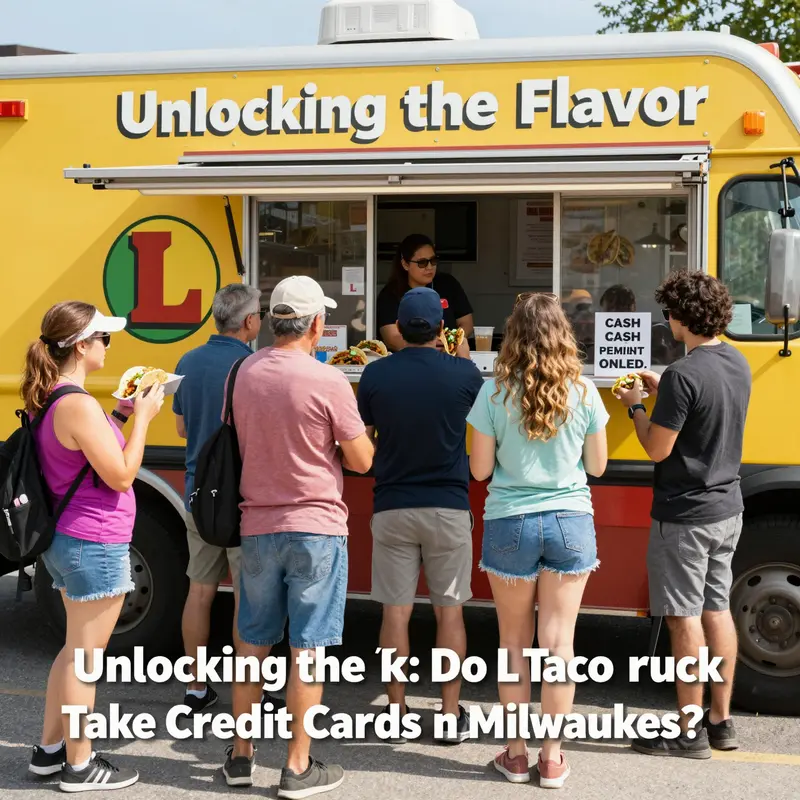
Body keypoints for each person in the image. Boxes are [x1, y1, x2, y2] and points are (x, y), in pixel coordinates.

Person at [223, 275, 374, 797]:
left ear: (270, 321)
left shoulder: (242, 372)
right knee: (307, 650)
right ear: (317, 324)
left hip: (257, 525)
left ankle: (241, 756)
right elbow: (360, 459)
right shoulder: (329, 380)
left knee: (252, 644)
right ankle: (296, 765)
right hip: (316, 529)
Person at [466, 292, 609, 789]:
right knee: (558, 644)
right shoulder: (585, 391)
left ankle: (516, 754)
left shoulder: (493, 392)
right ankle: (552, 759)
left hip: (510, 522)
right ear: (563, 334)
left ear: (514, 337)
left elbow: (480, 471)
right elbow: (596, 467)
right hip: (571, 520)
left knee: (513, 644)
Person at [25, 302, 164, 791]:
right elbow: (122, 474)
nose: (108, 345)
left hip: (71, 542)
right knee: (86, 661)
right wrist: (146, 417)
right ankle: (80, 767)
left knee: (72, 652)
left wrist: (123, 414)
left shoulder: (59, 398)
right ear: (82, 346)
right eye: (104, 337)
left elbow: (88, 460)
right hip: (94, 544)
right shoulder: (78, 404)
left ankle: (48, 752)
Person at [614, 270, 751, 759]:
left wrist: (636, 405)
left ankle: (688, 732)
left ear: (680, 318)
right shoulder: (737, 362)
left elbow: (656, 448)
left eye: (668, 313)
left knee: (682, 617)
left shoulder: (682, 375)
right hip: (726, 507)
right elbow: (705, 419)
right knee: (718, 610)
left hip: (685, 515)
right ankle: (720, 720)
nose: (666, 321)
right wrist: (663, 390)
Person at [357, 287, 484, 743]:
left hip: (392, 506)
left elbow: (364, 442)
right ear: (441, 329)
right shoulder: (465, 375)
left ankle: (395, 712)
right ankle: (449, 715)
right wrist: (462, 357)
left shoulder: (375, 375)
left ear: (399, 328)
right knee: (450, 613)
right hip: (448, 507)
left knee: (395, 614)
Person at [173, 284, 263, 713]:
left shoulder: (187, 361)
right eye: (259, 315)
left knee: (200, 590)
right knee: (248, 597)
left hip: (198, 495)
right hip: (243, 499)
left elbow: (181, 430)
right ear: (248, 322)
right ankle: (249, 693)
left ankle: (195, 688)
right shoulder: (250, 365)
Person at [376, 233, 474, 352]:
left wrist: (451, 342)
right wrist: (428, 348)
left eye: (433, 261)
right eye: (422, 263)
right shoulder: (390, 294)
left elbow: (466, 323)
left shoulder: (448, 284)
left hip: (448, 356)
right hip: (408, 361)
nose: (429, 267)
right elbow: (391, 337)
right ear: (405, 264)